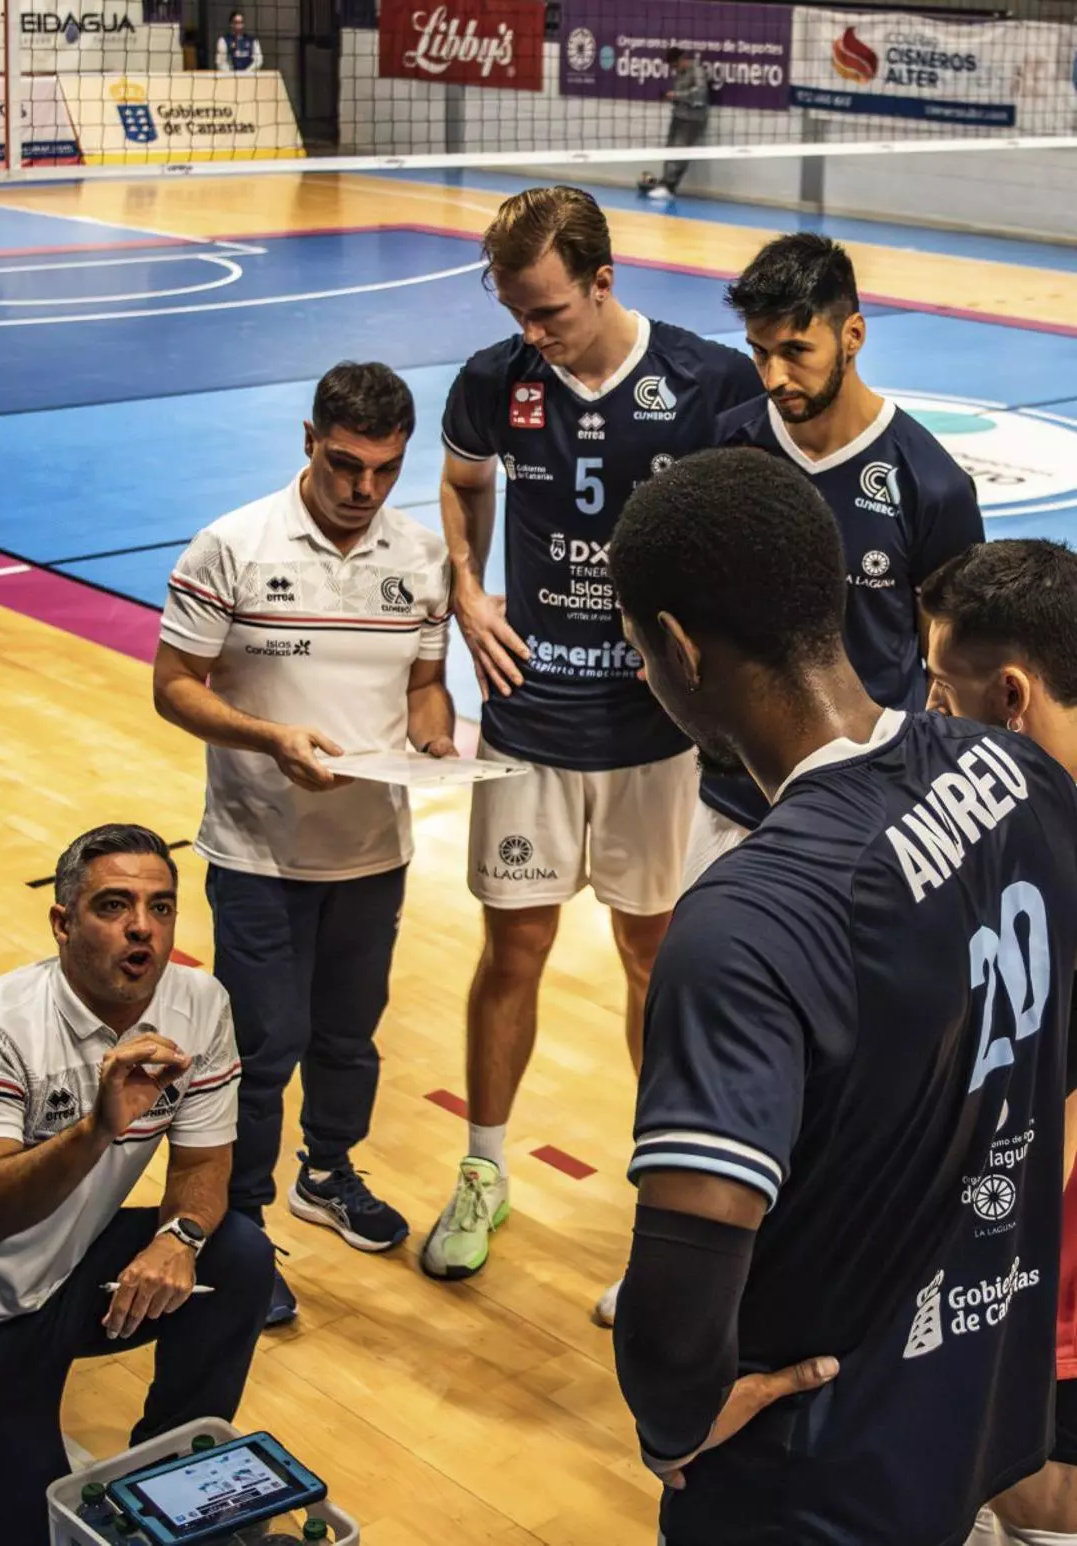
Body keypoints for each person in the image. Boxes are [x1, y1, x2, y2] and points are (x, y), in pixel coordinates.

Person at [608, 450, 1077, 1546]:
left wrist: (672, 1418)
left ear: (678, 646)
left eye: (643, 651)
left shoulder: (747, 924)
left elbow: (680, 1296)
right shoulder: (1020, 777)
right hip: (976, 1397)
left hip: (814, 1476)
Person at [422, 184, 758, 1284]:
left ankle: (663, 1203)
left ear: (603, 282)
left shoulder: (709, 383)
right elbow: (462, 484)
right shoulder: (493, 381)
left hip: (658, 734)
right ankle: (482, 1170)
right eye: (517, 311)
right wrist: (468, 590)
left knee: (655, 958)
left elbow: (749, 522)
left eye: (549, 311)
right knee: (509, 947)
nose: (532, 334)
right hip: (529, 716)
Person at [154, 362, 454, 1324]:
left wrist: (439, 738)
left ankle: (326, 1173)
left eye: (384, 470)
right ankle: (235, 1230)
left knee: (348, 1038)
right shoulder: (230, 547)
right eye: (344, 465)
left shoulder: (421, 556)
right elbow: (174, 685)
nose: (363, 489)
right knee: (260, 1049)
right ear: (308, 441)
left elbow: (421, 686)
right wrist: (270, 739)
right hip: (257, 853)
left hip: (373, 850)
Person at [0, 824, 271, 1546]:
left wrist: (177, 1240)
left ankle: (170, 1480)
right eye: (114, 906)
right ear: (62, 923)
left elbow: (204, 1165)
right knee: (37, 1537)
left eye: (160, 907)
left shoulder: (199, 1004)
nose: (141, 930)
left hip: (71, 1277)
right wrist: (97, 1128)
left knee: (236, 1255)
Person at [692, 233, 984, 914]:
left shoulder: (930, 484)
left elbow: (952, 667)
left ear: (852, 334)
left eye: (796, 352)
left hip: (869, 812)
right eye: (759, 353)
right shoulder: (728, 450)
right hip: (735, 802)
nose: (773, 378)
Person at [921, 539, 1077, 1546]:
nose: (931, 715)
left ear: (1010, 695)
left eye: (942, 688)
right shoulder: (1019, 820)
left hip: (1039, 1269)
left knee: (1042, 1514)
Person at [645, 47, 710, 200]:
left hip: (692, 119)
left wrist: (677, 95)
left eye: (674, 65)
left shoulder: (697, 70)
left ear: (681, 59)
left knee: (680, 153)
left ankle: (669, 187)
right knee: (670, 150)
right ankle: (665, 183)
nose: (673, 69)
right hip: (678, 116)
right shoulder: (679, 74)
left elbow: (701, 93)